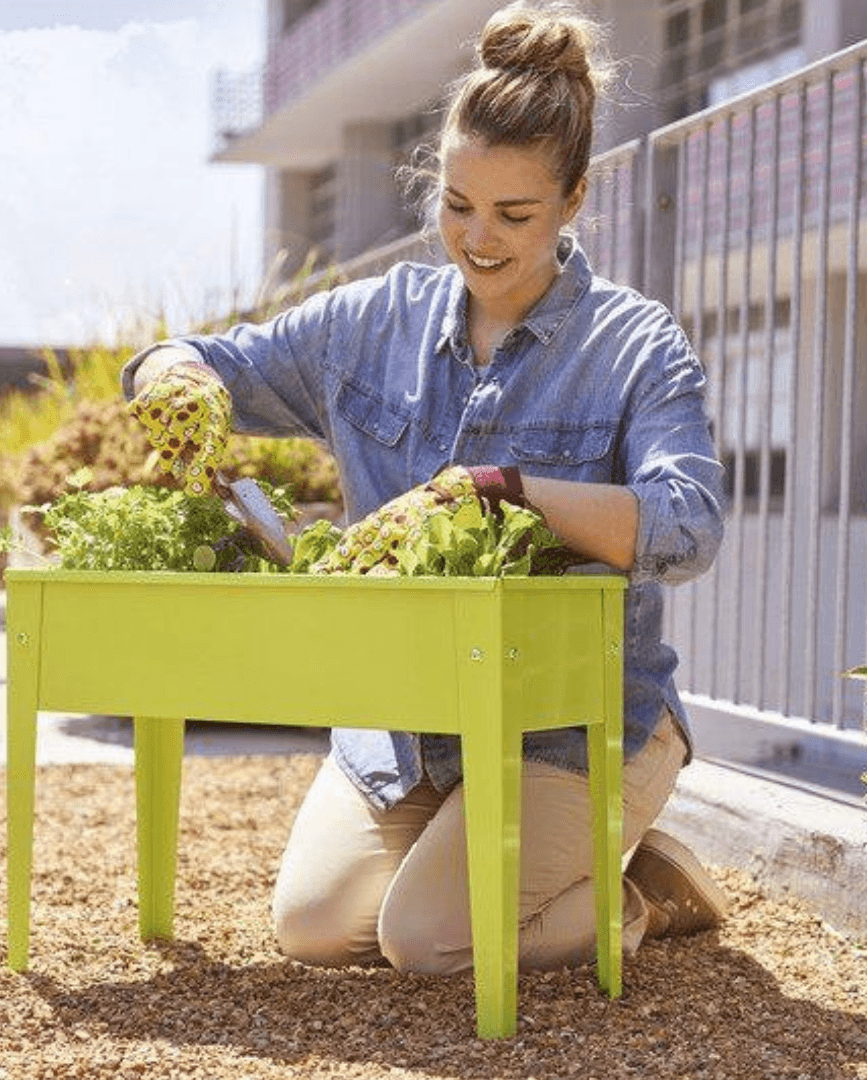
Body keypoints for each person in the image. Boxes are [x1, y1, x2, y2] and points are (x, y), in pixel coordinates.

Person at [123, 1, 729, 974]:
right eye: (457, 205)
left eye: (514, 215)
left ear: (573, 199)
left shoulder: (633, 343)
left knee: (426, 941)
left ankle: (636, 897)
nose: (478, 238)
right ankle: (524, 865)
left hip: (574, 727)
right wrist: (172, 378)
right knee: (316, 929)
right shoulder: (371, 323)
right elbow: (202, 359)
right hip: (409, 729)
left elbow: (688, 525)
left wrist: (506, 491)